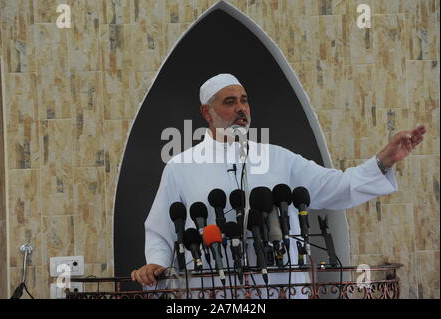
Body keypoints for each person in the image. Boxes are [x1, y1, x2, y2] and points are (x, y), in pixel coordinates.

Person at [131, 73, 426, 295]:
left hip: (279, 287)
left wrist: (384, 161)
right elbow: (160, 230)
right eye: (230, 102)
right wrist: (156, 263)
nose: (241, 109)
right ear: (207, 112)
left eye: (244, 100)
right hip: (213, 292)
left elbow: (339, 187)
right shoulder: (181, 166)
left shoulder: (279, 159)